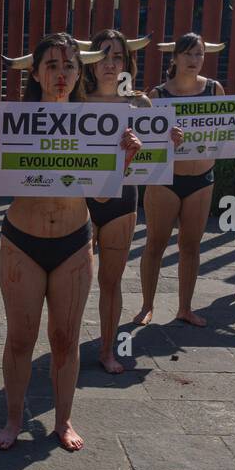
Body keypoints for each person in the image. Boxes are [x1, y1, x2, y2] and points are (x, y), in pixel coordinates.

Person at [0, 33, 141, 451]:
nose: (61, 73)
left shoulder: (96, 121)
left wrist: (123, 160)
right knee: (20, 337)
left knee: (66, 338)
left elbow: (104, 196)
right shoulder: (14, 120)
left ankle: (63, 420)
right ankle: (14, 418)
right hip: (22, 242)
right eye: (51, 65)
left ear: (78, 72)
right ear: (35, 72)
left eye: (69, 65)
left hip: (73, 241)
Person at [79, 29, 166, 371]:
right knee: (74, 285)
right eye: (103, 55)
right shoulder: (76, 101)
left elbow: (158, 154)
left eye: (117, 56)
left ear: (127, 62)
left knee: (110, 281)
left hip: (122, 200)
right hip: (80, 200)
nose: (110, 64)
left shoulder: (139, 104)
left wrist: (171, 139)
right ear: (90, 61)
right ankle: (66, 349)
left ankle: (107, 350)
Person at [139, 33, 231, 327]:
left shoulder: (215, 90)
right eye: (188, 54)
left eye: (199, 54)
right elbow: (142, 140)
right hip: (165, 179)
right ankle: (146, 306)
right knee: (155, 244)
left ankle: (185, 308)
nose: (194, 60)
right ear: (175, 57)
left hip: (203, 178)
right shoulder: (157, 96)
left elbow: (226, 131)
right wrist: (164, 138)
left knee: (191, 246)